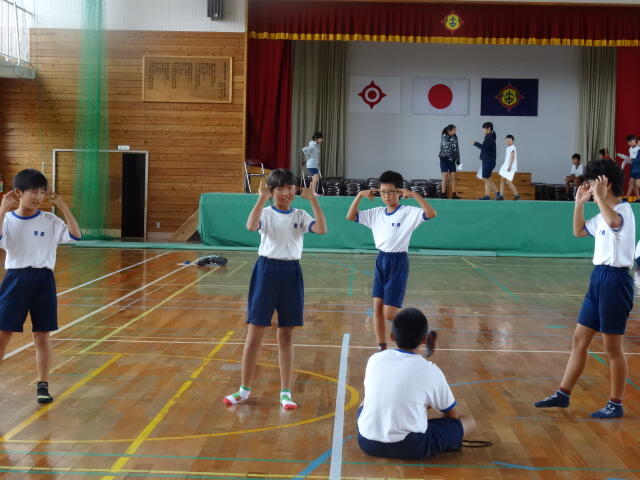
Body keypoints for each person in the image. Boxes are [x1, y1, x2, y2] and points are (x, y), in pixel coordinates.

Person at [534, 160, 634, 419]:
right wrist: (579, 204)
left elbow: (614, 222)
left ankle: (616, 403)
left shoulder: (623, 209)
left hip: (615, 281)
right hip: (598, 278)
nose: (588, 185)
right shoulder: (600, 214)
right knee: (579, 339)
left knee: (613, 348)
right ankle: (563, 393)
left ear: (606, 183)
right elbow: (578, 231)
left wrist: (598, 198)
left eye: (592, 181)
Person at [223, 169, 327, 410]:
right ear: (272, 191)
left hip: (291, 273)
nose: (285, 193)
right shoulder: (266, 213)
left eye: (289, 188)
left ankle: (285, 393)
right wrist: (261, 198)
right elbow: (251, 226)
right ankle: (244, 390)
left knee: (286, 336)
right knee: (254, 334)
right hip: (266, 272)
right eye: (279, 188)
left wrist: (313, 201)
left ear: (295, 190)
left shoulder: (300, 215)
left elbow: (321, 229)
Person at [0, 169, 81, 404]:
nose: (38, 197)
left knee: (42, 335)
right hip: (15, 280)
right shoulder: (8, 220)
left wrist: (63, 207)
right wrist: (2, 210)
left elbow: (76, 236)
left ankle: (43, 385)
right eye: (33, 192)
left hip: (43, 280)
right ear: (18, 193)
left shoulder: (50, 220)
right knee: (3, 333)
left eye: (42, 192)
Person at [356, 307, 476, 460]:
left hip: (367, 442)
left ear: (392, 336)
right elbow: (452, 416)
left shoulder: (375, 359)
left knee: (365, 402)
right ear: (424, 339)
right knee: (469, 422)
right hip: (410, 446)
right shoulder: (430, 370)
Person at [346, 170, 437, 351]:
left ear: (399, 192)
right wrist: (359, 195)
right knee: (377, 308)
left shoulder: (408, 212)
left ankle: (422, 333)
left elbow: (431, 213)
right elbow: (351, 216)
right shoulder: (376, 213)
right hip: (381, 260)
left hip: (398, 262)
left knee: (389, 314)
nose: (387, 196)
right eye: (383, 192)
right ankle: (382, 347)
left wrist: (415, 195)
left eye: (391, 192)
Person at [473, 122, 499, 200]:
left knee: (485, 178)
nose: (483, 130)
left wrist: (476, 143)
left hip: (488, 161)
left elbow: (484, 148)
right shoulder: (490, 136)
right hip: (488, 160)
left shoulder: (489, 137)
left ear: (489, 129)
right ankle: (487, 195)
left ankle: (498, 194)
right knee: (487, 178)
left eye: (484, 129)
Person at [438, 124, 460, 199]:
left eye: (455, 130)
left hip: (452, 160)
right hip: (444, 159)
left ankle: (454, 194)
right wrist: (452, 158)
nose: (455, 131)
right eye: (454, 130)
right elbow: (446, 149)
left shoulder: (455, 137)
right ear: (449, 131)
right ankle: (443, 194)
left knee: (453, 177)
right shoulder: (444, 137)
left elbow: (457, 149)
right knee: (445, 177)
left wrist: (458, 161)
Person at [498, 134, 520, 201]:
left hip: (510, 167)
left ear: (512, 141)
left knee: (508, 182)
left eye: (509, 140)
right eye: (506, 139)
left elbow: (513, 156)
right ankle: (501, 196)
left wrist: (510, 166)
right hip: (505, 166)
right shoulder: (508, 148)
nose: (507, 141)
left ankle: (516, 195)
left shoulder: (512, 147)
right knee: (502, 181)